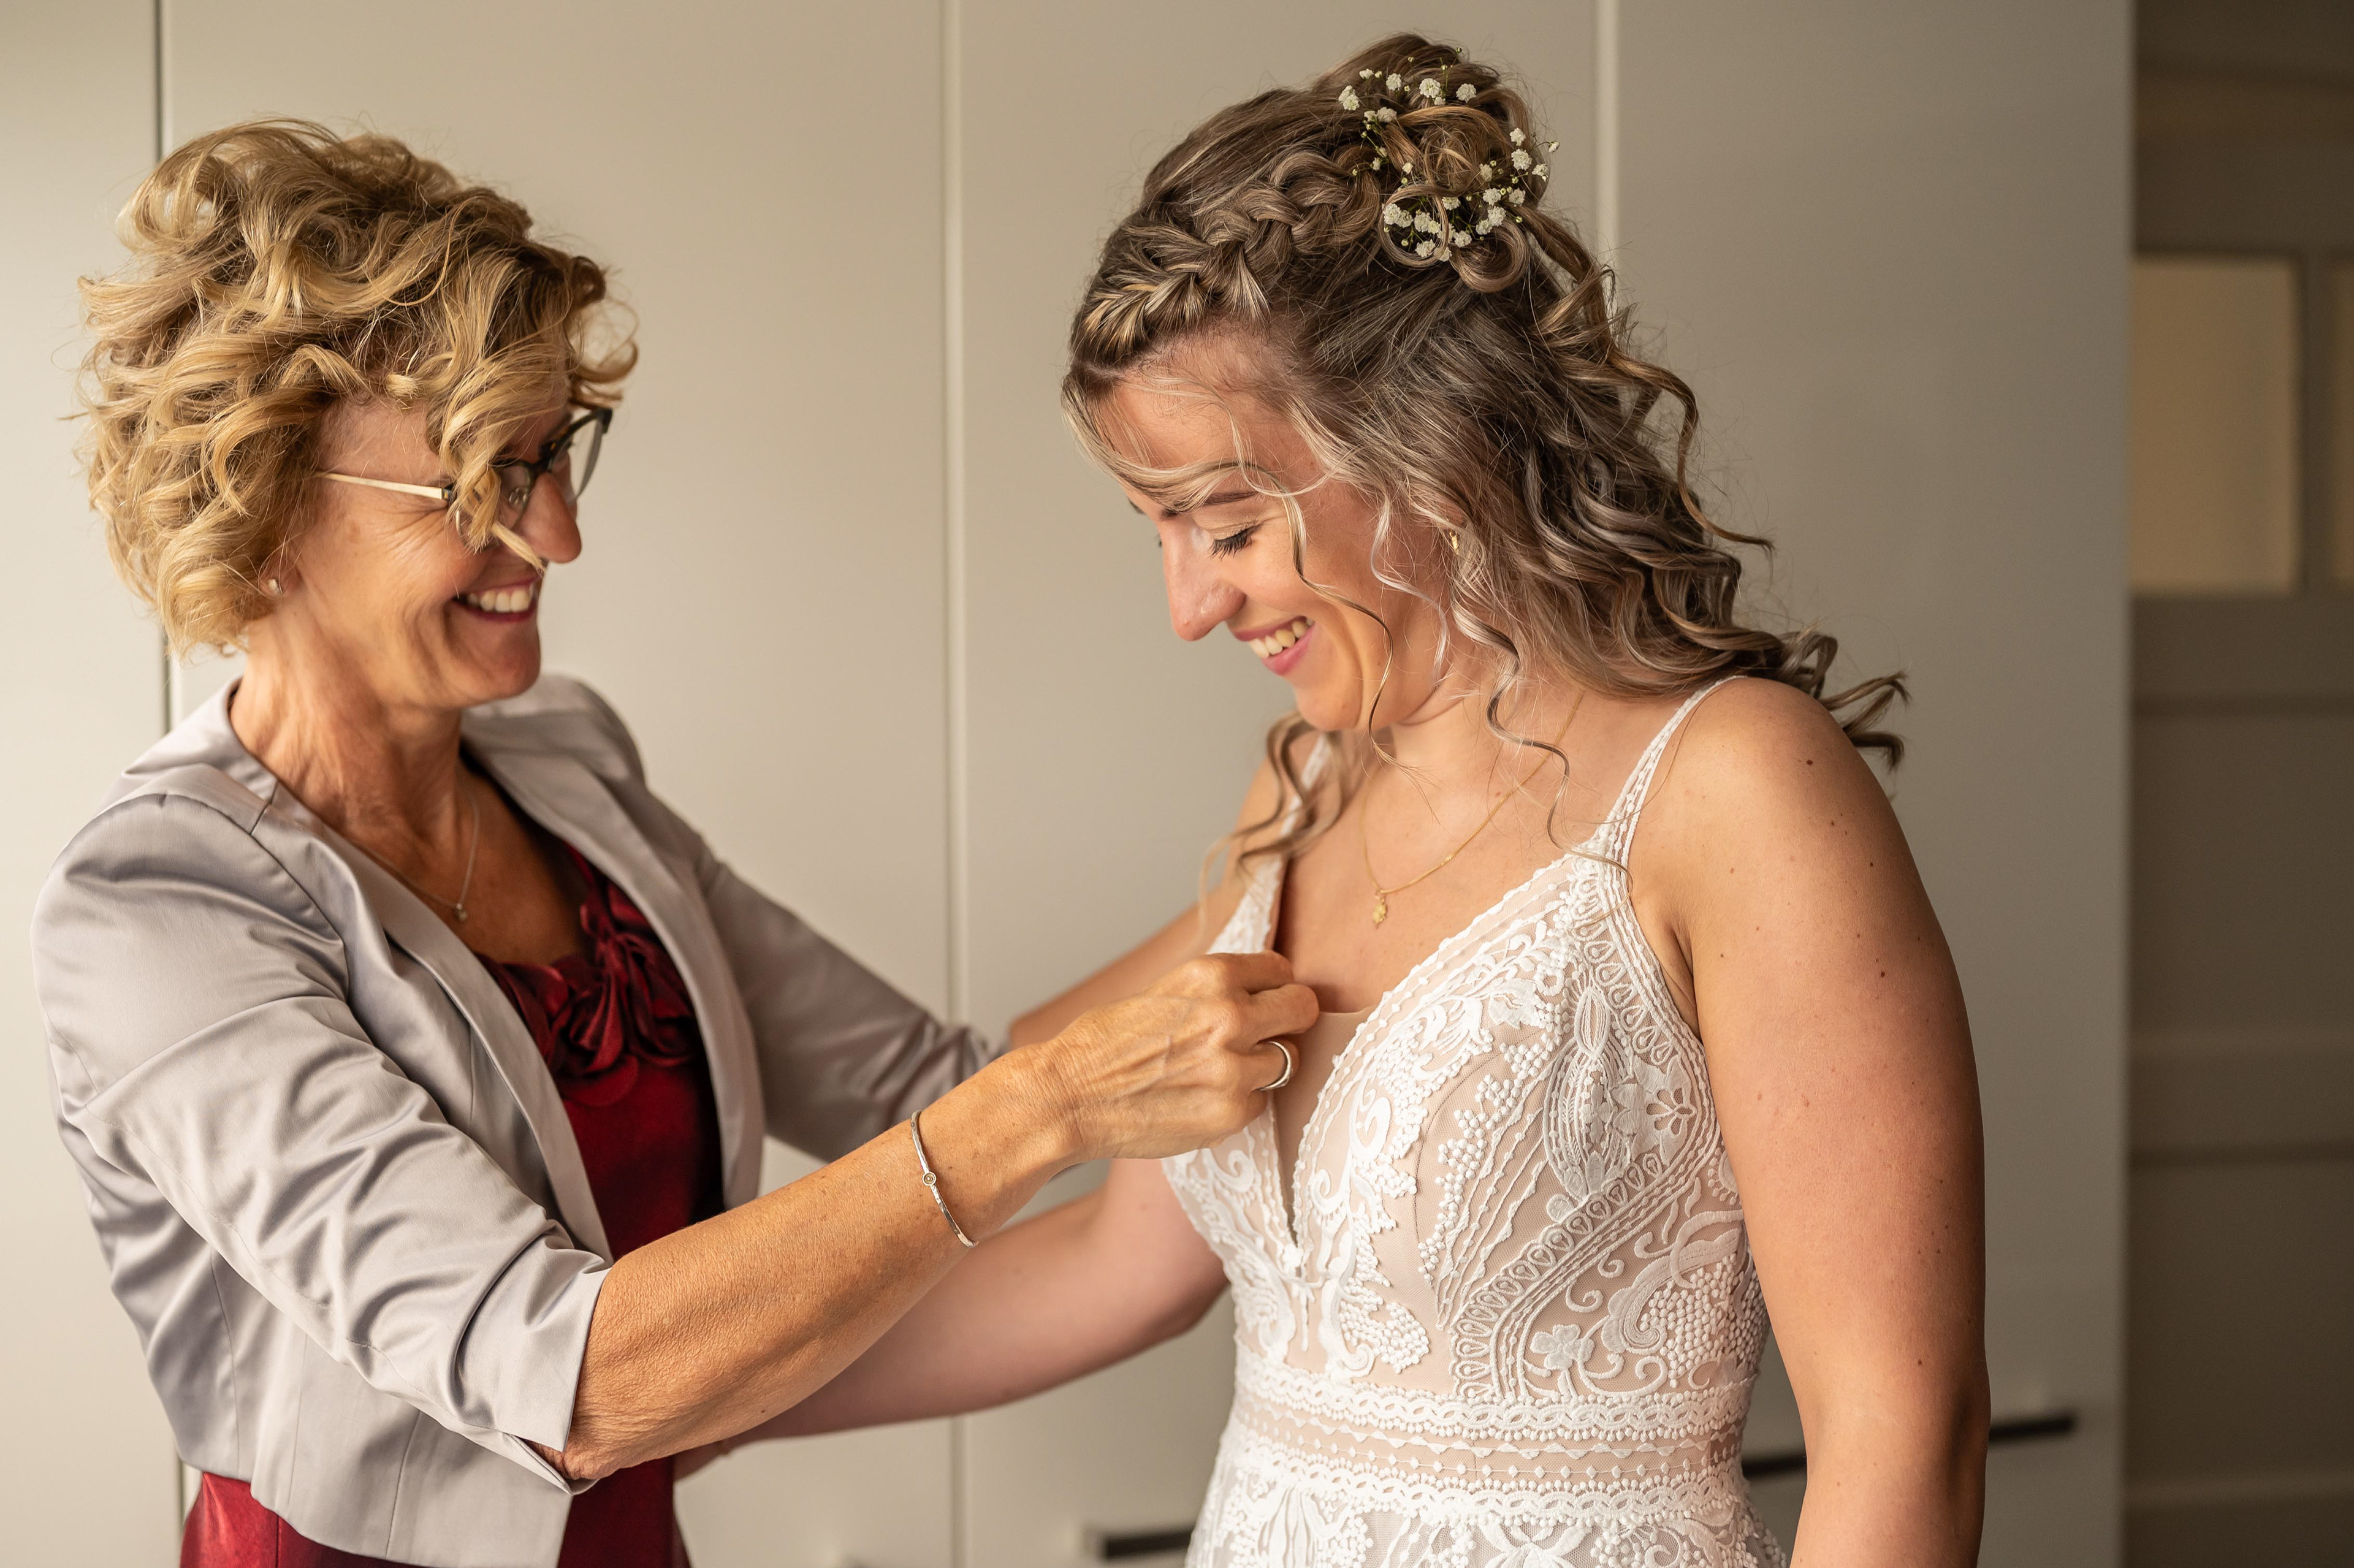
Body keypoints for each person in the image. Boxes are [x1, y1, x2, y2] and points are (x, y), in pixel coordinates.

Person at [731, 36, 1990, 1568]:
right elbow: (1113, 1265)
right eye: (1159, 535)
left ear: (1424, 442)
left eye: (1227, 525)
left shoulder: (1736, 788)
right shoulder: (1307, 787)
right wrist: (674, 1400)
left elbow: (1902, 1432)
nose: (1191, 607)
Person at [35, 120, 1312, 1568]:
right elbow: (562, 1378)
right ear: (264, 512)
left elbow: (932, 1091)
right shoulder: (156, 910)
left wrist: (1278, 850)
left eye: (553, 453)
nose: (560, 534)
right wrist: (1050, 1109)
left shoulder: (570, 770)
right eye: (483, 476)